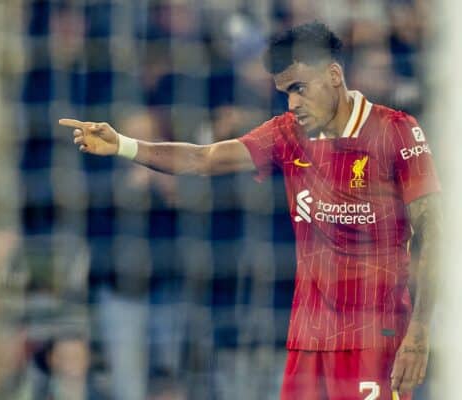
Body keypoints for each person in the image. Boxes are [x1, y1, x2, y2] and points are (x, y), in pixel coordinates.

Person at [60, 22, 442, 400]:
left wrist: (419, 332)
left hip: (373, 338)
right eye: (285, 92)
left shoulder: (397, 132)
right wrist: (124, 145)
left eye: (299, 88)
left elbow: (434, 236)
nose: (292, 103)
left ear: (334, 75)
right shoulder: (287, 134)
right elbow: (203, 158)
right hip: (308, 341)